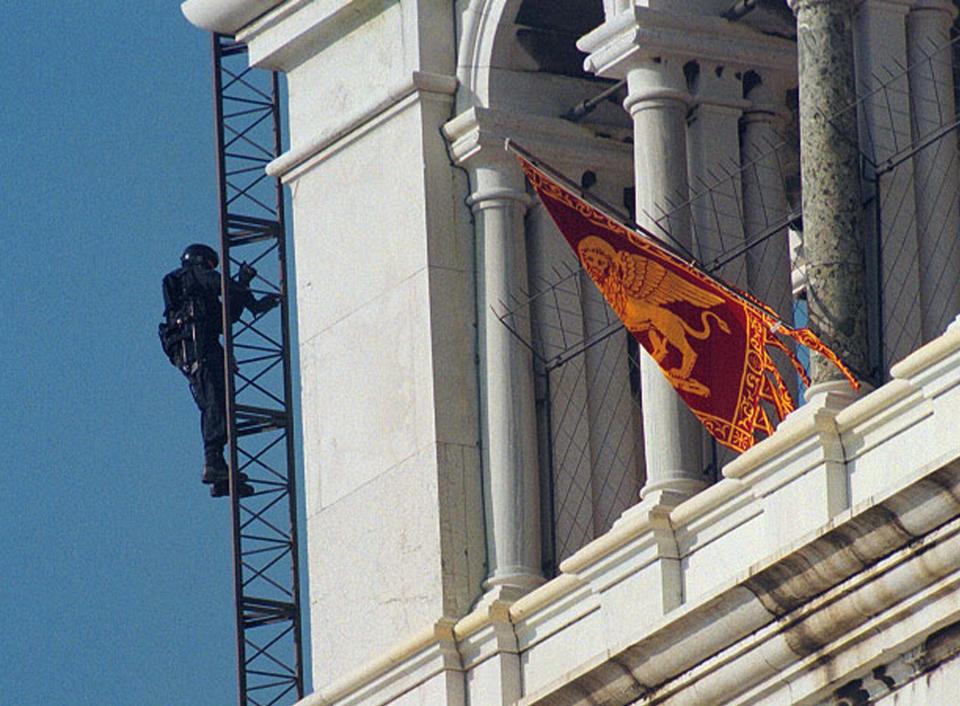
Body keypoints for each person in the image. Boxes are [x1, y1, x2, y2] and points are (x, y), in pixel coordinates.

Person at [160, 243, 279, 498]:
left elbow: (226, 317)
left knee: (221, 406)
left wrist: (244, 286)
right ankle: (213, 462)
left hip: (203, 353)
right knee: (215, 404)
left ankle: (221, 473)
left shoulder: (196, 300)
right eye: (209, 264)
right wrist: (243, 286)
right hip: (201, 353)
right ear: (200, 261)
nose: (210, 269)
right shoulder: (192, 274)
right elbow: (220, 285)